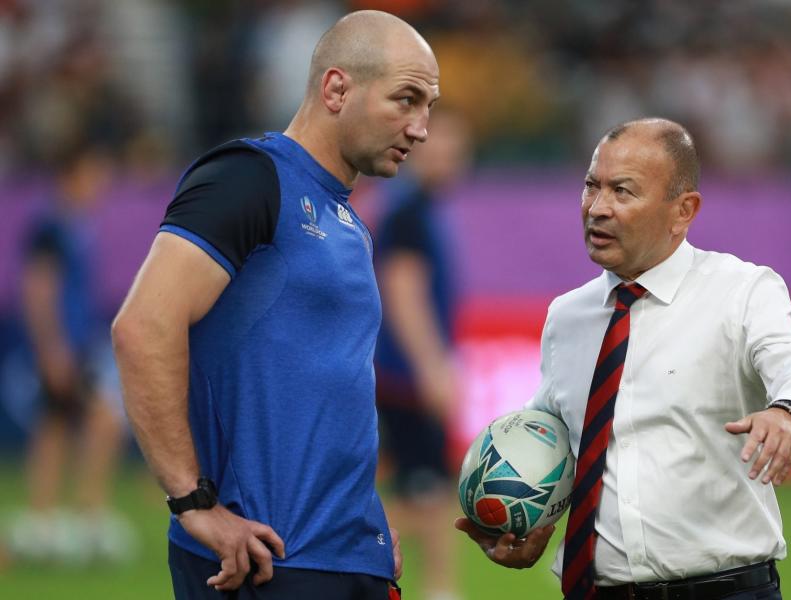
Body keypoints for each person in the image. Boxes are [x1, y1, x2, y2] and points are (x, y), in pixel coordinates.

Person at [111, 10, 439, 599]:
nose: (420, 128)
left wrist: (360, 522)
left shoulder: (349, 222)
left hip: (347, 557)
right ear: (337, 87)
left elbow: (322, 399)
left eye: (428, 108)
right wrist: (193, 503)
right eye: (406, 100)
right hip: (267, 563)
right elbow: (143, 325)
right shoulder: (249, 178)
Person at [456, 118, 791, 599]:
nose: (598, 208)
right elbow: (557, 439)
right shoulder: (567, 318)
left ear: (683, 211)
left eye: (622, 191)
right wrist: (531, 524)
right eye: (591, 186)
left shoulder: (739, 291)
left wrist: (789, 412)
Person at [13, 142, 130, 564]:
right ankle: (87, 514)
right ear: (71, 174)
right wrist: (51, 348)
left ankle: (45, 519)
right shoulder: (52, 226)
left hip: (77, 342)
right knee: (104, 419)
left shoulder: (78, 225)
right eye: (92, 173)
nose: (99, 183)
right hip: (63, 346)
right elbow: (39, 289)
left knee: (55, 426)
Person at [374, 110, 470, 600]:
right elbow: (403, 292)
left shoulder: (421, 208)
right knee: (426, 489)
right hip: (403, 375)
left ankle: (440, 587)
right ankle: (333, 549)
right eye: (440, 151)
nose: (450, 163)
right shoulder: (408, 211)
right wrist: (433, 367)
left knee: (430, 488)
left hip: (405, 373)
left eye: (457, 153)